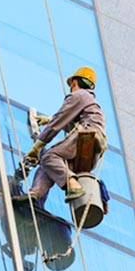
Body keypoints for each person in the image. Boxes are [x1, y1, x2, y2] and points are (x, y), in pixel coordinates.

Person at [15, 66, 107, 205]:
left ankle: (73, 185)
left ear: (74, 83)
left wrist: (37, 147)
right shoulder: (89, 101)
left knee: (49, 157)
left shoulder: (79, 95)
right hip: (92, 151)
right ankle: (35, 193)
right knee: (49, 166)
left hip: (86, 135)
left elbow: (61, 118)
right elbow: (69, 119)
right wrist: (48, 120)